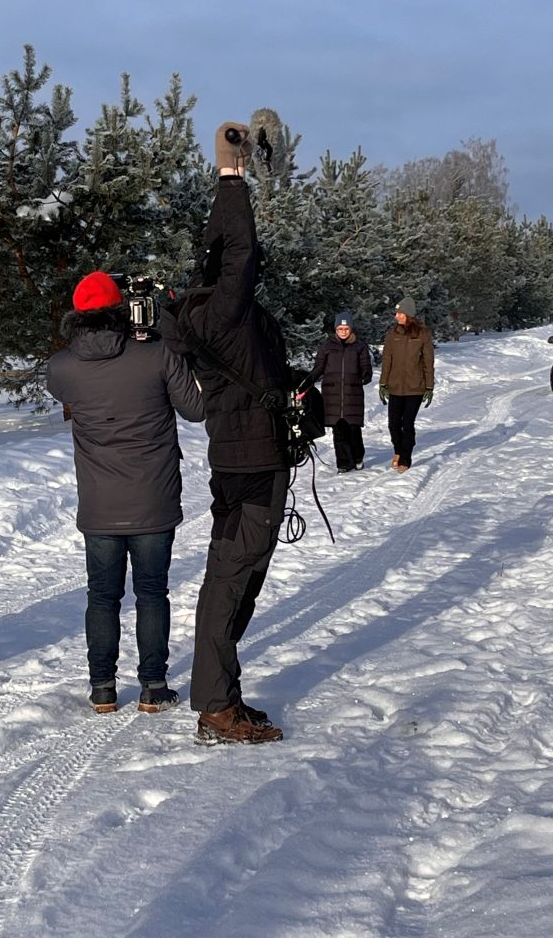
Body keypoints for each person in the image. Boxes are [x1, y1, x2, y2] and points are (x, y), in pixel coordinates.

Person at [165, 121, 289, 745]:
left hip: (246, 454)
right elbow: (240, 249)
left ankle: (222, 692)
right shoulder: (220, 314)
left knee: (238, 572)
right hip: (249, 459)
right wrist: (230, 174)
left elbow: (222, 248)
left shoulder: (205, 310)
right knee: (231, 576)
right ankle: (215, 703)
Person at [45, 270, 205, 715]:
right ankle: (153, 686)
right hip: (153, 497)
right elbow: (195, 410)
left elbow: (62, 385)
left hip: (98, 503)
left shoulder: (61, 368)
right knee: (152, 593)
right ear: (121, 310)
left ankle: (102, 688)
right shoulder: (155, 355)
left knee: (102, 596)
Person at [303, 310, 373, 472]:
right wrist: (307, 381)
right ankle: (343, 463)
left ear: (351, 329)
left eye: (346, 329)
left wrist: (366, 375)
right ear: (335, 329)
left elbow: (365, 366)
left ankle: (357, 457)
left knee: (353, 430)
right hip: (332, 395)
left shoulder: (359, 347)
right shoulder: (327, 347)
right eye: (340, 329)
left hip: (352, 395)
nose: (343, 332)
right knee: (339, 432)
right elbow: (318, 368)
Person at [379, 297, 435, 472]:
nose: (396, 316)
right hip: (395, 386)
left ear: (408, 314)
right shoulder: (392, 334)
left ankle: (405, 457)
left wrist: (429, 386)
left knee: (407, 423)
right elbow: (387, 360)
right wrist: (383, 383)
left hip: (415, 387)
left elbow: (428, 362)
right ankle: (398, 450)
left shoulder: (422, 334)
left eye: (400, 313)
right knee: (393, 424)